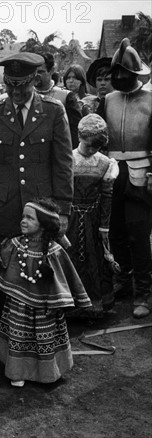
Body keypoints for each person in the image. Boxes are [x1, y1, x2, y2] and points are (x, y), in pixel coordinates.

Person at [0, 52, 74, 357]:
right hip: (2, 208)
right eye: (10, 85)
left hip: (41, 210)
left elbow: (63, 163)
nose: (15, 92)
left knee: (38, 274)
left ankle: (40, 344)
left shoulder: (54, 111)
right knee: (1, 274)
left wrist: (62, 210)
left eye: (22, 86)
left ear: (35, 79)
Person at [0, 199, 91, 387]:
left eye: (30, 218)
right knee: (18, 335)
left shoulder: (54, 251)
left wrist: (58, 301)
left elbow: (65, 278)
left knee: (44, 336)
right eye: (23, 217)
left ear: (43, 225)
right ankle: (17, 371)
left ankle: (47, 373)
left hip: (44, 309)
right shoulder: (15, 244)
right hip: (18, 306)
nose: (23, 221)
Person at [97, 38, 152, 319]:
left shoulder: (150, 100)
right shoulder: (107, 100)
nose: (118, 77)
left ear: (135, 74)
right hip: (111, 173)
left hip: (142, 175)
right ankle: (124, 280)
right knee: (115, 230)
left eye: (123, 73)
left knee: (139, 234)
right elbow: (97, 140)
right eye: (115, 73)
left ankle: (143, 291)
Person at [66, 114, 118, 319]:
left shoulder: (105, 163)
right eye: (88, 146)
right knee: (70, 256)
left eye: (96, 147)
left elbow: (107, 196)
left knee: (94, 259)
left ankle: (94, 307)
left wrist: (104, 226)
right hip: (70, 218)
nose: (91, 151)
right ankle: (70, 307)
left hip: (93, 219)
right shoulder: (68, 159)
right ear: (80, 138)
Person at [33, 52, 82, 148]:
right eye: (33, 72)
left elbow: (74, 133)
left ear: (51, 70)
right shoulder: (26, 96)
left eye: (40, 72)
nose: (36, 75)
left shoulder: (66, 96)